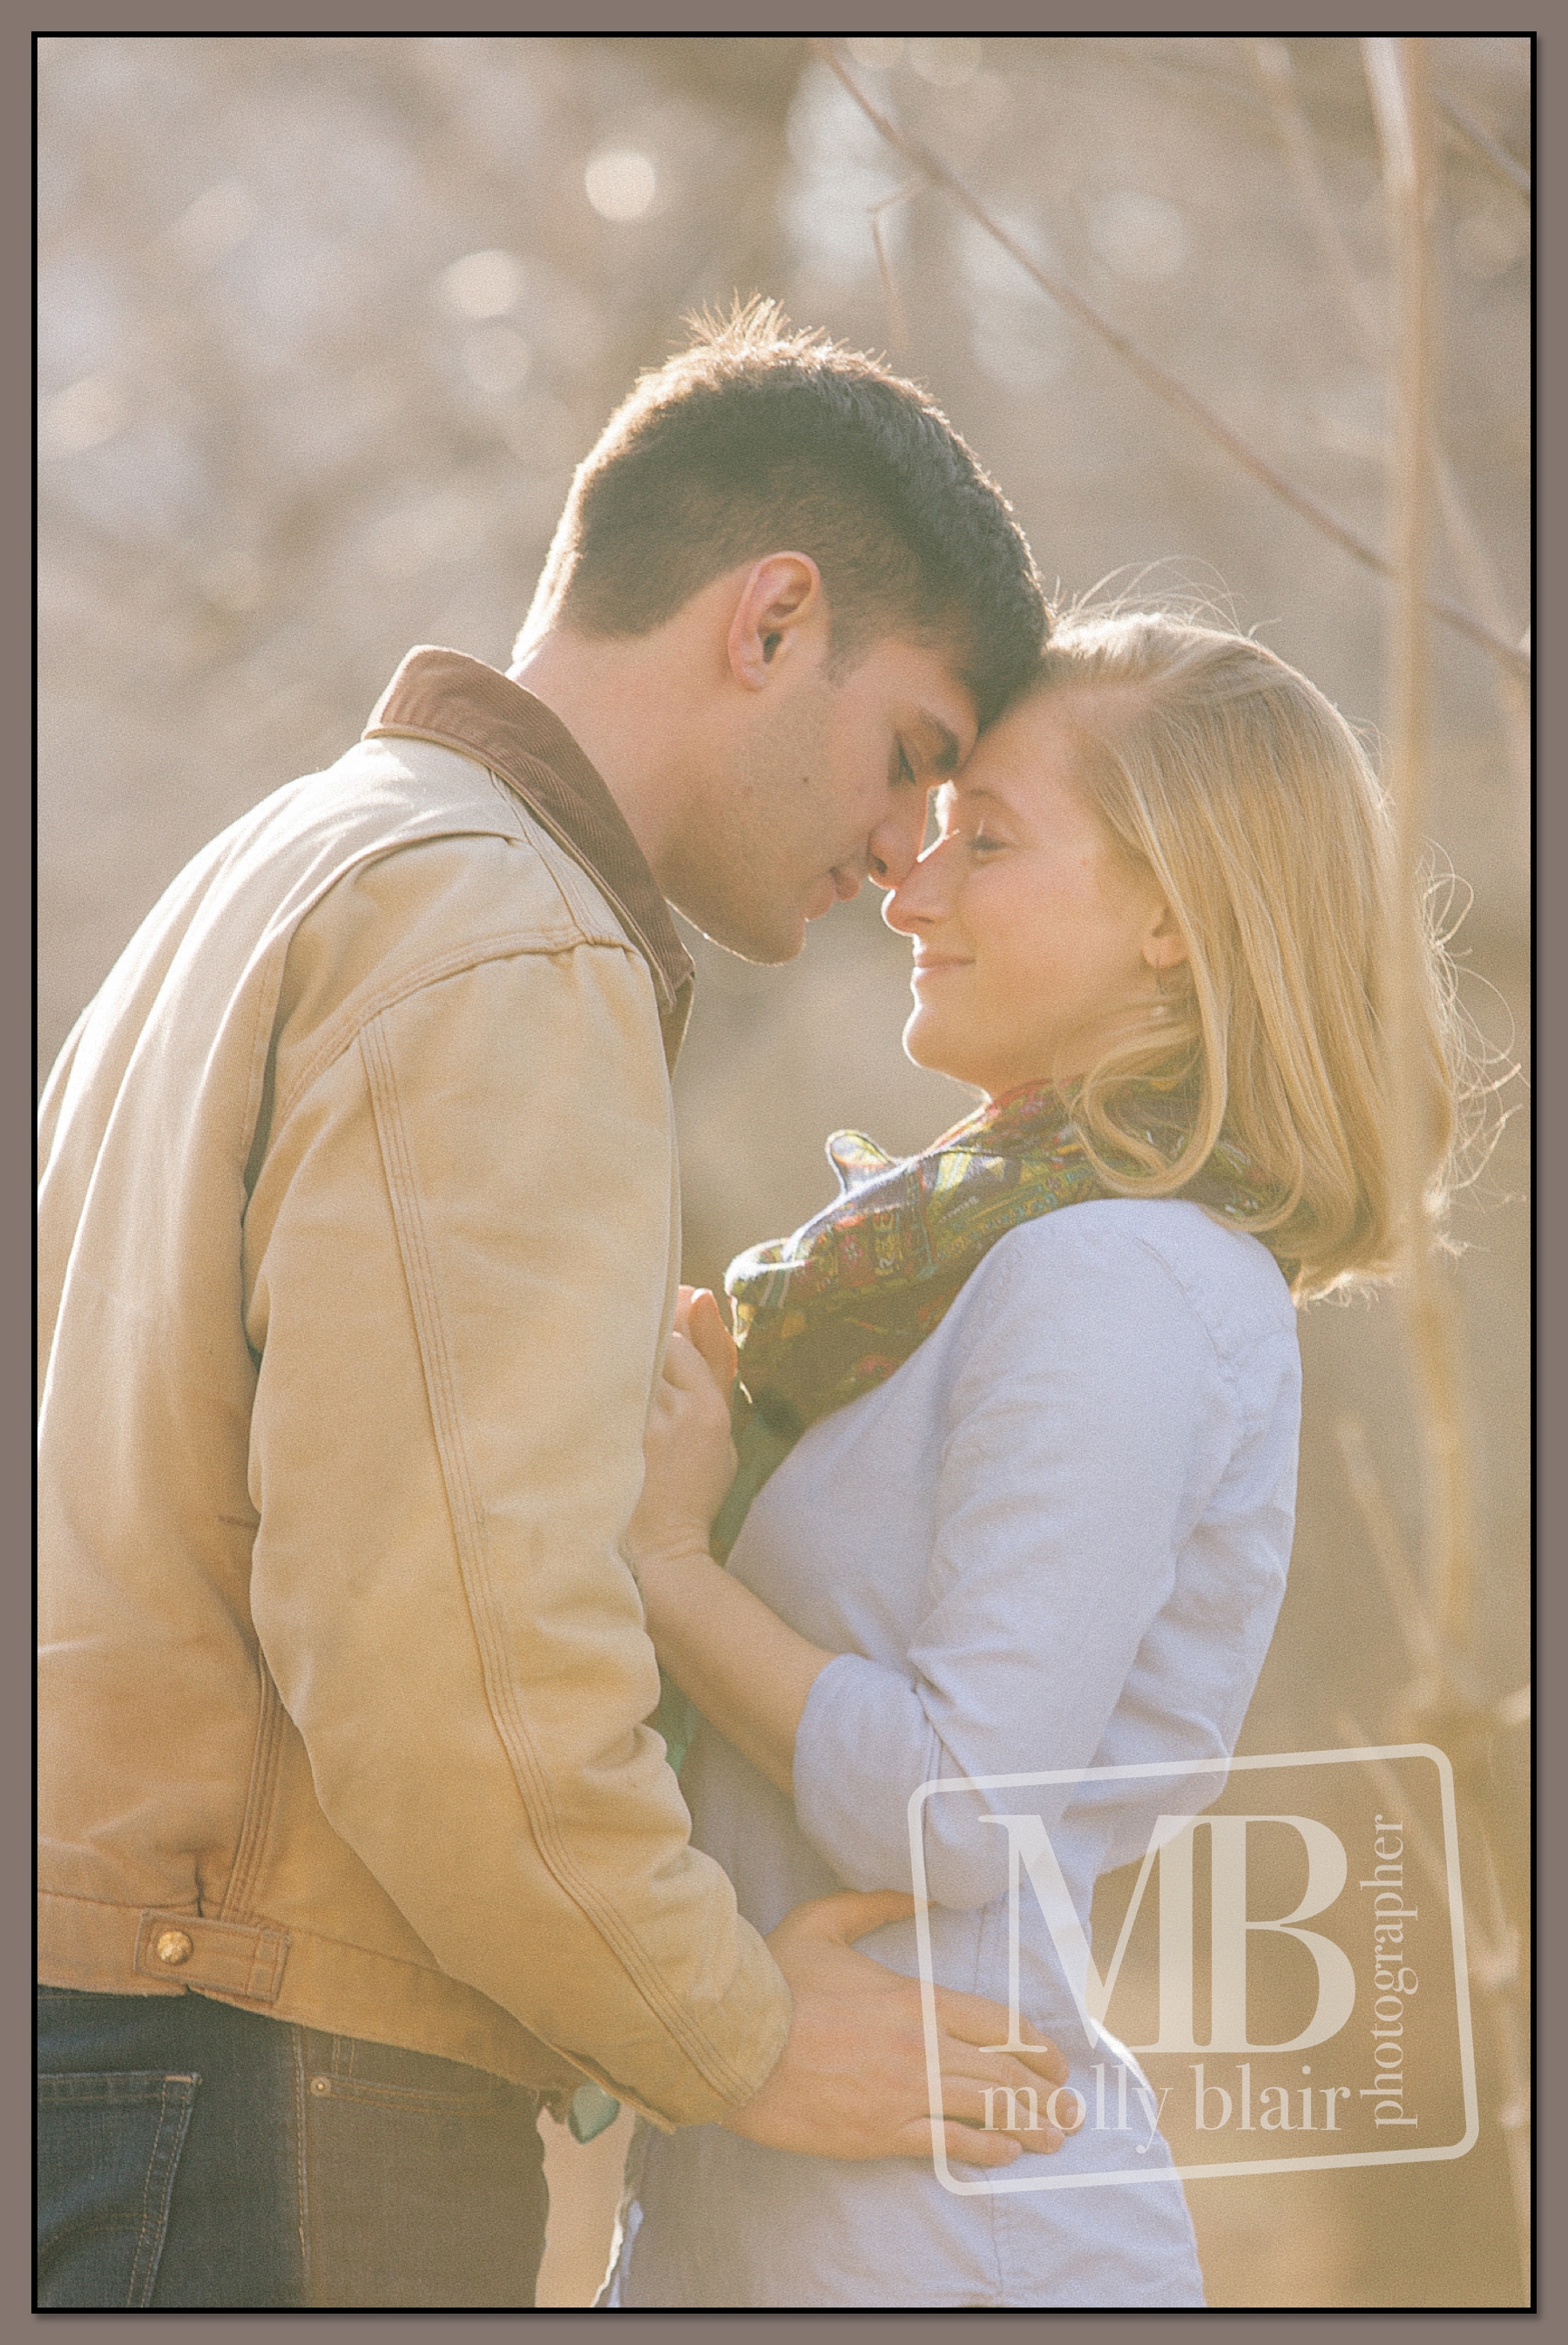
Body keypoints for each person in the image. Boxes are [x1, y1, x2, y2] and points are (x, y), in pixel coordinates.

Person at [36, 305, 1074, 2312]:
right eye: (914, 756)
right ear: (772, 619)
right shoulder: (504, 931)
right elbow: (448, 1650)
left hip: (117, 2058)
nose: (903, 847)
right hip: (278, 2105)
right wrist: (740, 2026)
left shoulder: (279, 860)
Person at [609, 608, 1463, 2308]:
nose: (912, 891)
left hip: (949, 2243)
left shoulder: (1118, 1273)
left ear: (1174, 912)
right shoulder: (971, 1256)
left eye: (985, 841)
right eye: (930, 837)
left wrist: (669, 1564)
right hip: (790, 2217)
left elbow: (960, 1806)